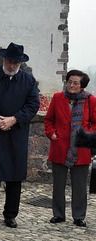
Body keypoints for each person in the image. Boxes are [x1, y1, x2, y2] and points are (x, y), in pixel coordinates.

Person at [0, 42, 40, 229]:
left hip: (15, 134)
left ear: (20, 63)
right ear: (4, 59)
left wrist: (14, 119)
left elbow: (32, 105)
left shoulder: (28, 81)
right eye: (9, 61)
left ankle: (10, 215)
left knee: (14, 178)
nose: (12, 66)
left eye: (16, 63)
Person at [44, 69, 96, 227]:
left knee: (79, 185)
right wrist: (52, 133)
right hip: (59, 146)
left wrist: (87, 135)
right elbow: (48, 120)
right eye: (69, 82)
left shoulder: (90, 100)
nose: (71, 85)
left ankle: (79, 216)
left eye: (75, 83)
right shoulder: (58, 98)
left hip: (81, 148)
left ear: (82, 85)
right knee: (58, 184)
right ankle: (58, 214)